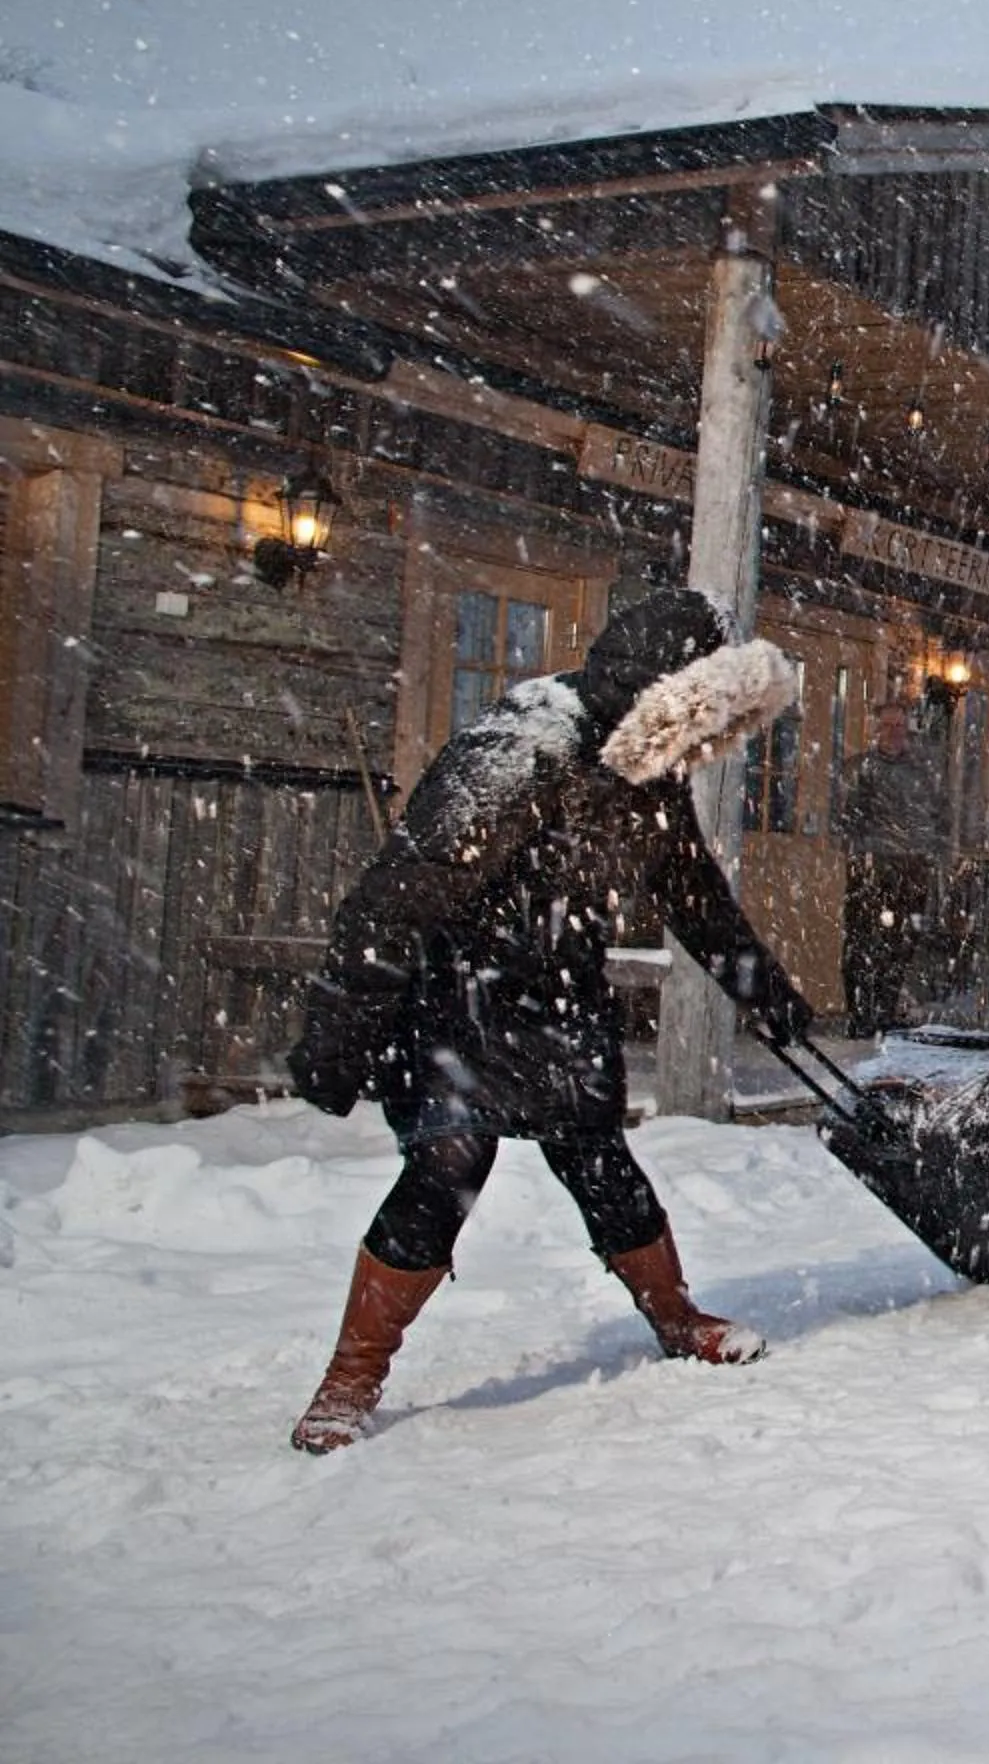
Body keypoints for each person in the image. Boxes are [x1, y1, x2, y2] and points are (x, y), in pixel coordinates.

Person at [282, 590, 814, 1454]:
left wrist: (764, 992)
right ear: (661, 696)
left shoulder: (650, 768)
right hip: (458, 993)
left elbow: (692, 894)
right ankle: (350, 1378)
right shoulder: (520, 750)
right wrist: (337, 1040)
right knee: (450, 1161)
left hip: (561, 993)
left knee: (598, 1155)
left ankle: (675, 1318)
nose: (702, 750)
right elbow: (391, 904)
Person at [840, 698, 945, 1035]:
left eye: (899, 726)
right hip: (873, 867)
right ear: (876, 729)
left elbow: (936, 816)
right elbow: (847, 819)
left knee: (902, 944)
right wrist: (867, 855)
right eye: (888, 726)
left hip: (913, 868)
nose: (894, 733)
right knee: (864, 942)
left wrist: (931, 853)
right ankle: (861, 1014)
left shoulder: (921, 772)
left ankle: (886, 1010)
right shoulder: (860, 769)